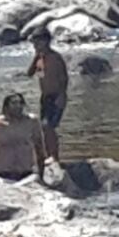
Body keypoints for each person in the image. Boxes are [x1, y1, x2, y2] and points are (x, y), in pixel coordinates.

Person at [0, 93, 47, 184]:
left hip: (27, 174)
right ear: (6, 105)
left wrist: (42, 175)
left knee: (33, 181)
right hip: (3, 175)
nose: (18, 106)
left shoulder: (32, 122)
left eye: (21, 103)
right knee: (0, 183)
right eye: (14, 103)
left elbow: (40, 149)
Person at [26, 27, 68, 164]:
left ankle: (54, 156)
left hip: (57, 96)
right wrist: (36, 57)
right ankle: (48, 154)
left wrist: (62, 96)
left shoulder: (55, 58)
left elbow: (64, 78)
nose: (35, 46)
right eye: (34, 43)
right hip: (45, 97)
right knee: (44, 128)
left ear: (46, 41)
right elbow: (30, 73)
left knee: (49, 126)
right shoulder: (40, 58)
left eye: (37, 42)